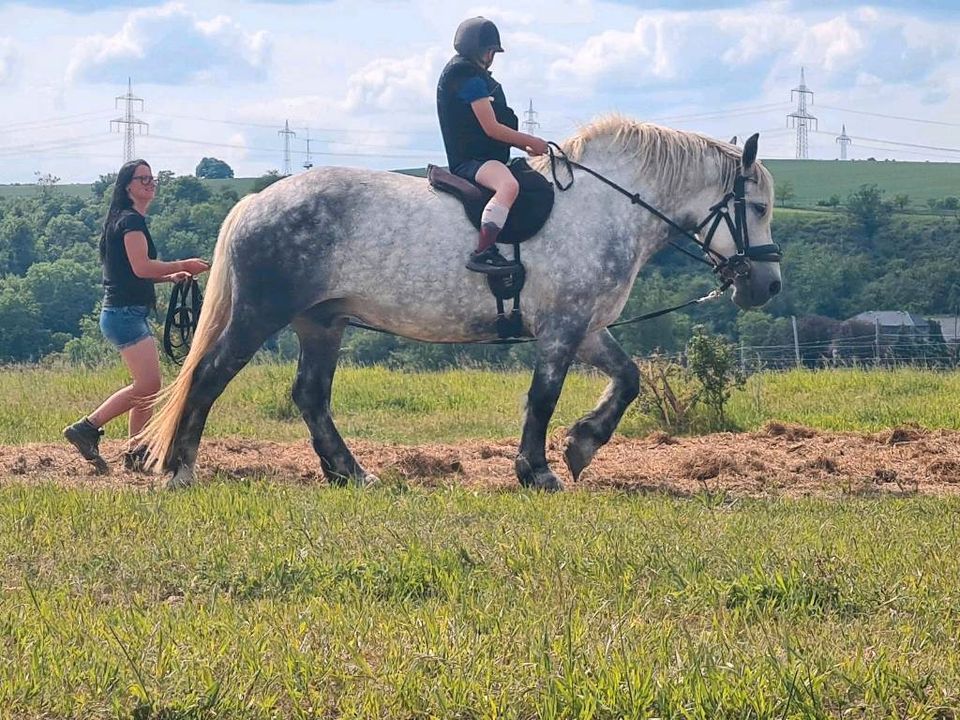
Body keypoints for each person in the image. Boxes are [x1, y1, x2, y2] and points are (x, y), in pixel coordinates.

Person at [63, 160, 210, 472]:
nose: (149, 184)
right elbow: (142, 267)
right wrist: (182, 263)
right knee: (148, 385)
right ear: (127, 186)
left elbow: (133, 272)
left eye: (151, 179)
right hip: (124, 315)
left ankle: (135, 450)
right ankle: (87, 428)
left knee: (145, 388)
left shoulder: (125, 220)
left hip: (124, 313)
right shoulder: (131, 223)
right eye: (142, 179)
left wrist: (169, 278)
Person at [437, 16, 549, 275]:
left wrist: (524, 147)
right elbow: (491, 128)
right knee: (508, 186)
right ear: (484, 52)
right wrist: (530, 141)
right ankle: (483, 252)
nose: (492, 57)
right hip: (471, 161)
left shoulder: (468, 75)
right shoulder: (468, 79)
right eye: (492, 52)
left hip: (483, 157)